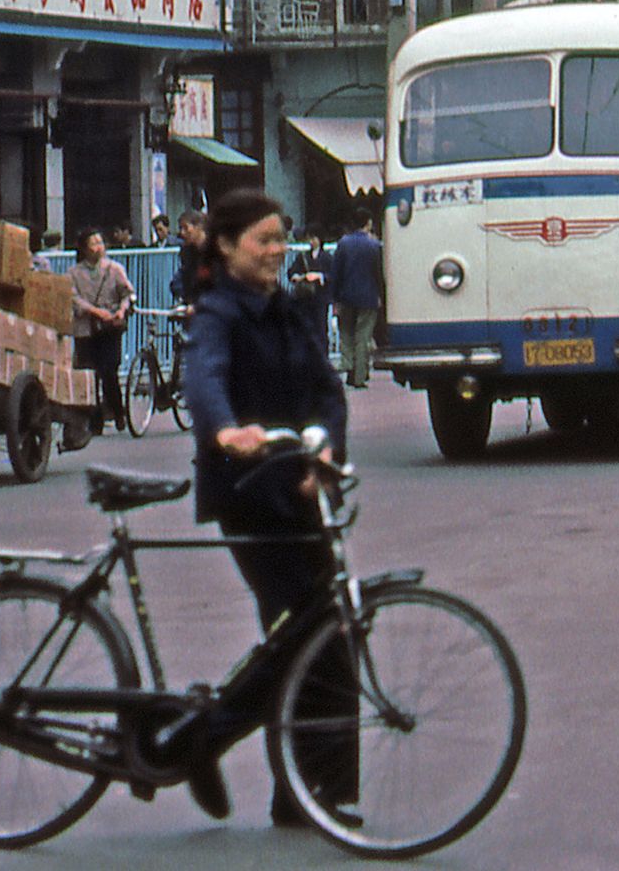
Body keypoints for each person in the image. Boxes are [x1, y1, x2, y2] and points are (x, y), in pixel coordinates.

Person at [181, 188, 351, 825]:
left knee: (327, 634)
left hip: (302, 490)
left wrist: (326, 448)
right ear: (226, 247)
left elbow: (328, 391)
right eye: (264, 240)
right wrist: (225, 431)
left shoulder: (288, 309)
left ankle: (309, 794)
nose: (278, 251)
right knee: (302, 631)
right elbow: (205, 378)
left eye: (282, 238)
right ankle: (209, 735)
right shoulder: (216, 314)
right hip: (248, 495)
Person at [67, 228, 135, 434]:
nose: (99, 247)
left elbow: (128, 293)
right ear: (84, 249)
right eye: (93, 243)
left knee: (109, 370)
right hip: (86, 328)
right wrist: (95, 311)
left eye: (100, 242)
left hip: (109, 327)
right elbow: (73, 298)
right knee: (90, 373)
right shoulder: (74, 273)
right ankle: (94, 418)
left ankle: (117, 410)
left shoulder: (114, 269)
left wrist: (121, 310)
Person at [331, 208, 384, 388]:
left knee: (346, 334)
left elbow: (335, 272)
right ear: (368, 222)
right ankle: (360, 376)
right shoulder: (374, 245)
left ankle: (349, 368)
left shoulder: (343, 243)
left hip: (346, 295)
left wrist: (335, 298)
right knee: (363, 337)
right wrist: (380, 294)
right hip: (368, 296)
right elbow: (379, 274)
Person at [287, 226, 333, 349]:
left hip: (320, 297)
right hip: (304, 296)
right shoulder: (302, 256)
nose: (311, 241)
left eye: (313, 238)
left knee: (321, 328)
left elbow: (333, 275)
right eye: (309, 238)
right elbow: (291, 272)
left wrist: (320, 276)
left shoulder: (327, 257)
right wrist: (299, 276)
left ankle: (322, 355)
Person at [171, 209, 206, 306]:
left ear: (199, 227)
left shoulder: (213, 250)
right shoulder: (186, 251)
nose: (182, 232)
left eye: (186, 228)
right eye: (180, 228)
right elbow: (184, 277)